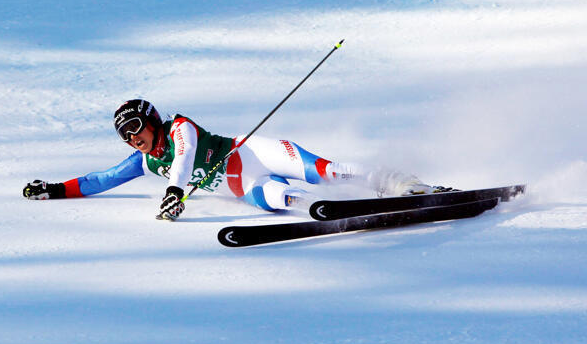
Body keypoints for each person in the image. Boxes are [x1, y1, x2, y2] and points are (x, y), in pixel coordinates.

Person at [23, 99, 448, 220]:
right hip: (244, 186)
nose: (134, 141)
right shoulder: (145, 161)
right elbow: (103, 179)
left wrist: (174, 191)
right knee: (279, 198)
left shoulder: (179, 128)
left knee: (324, 171)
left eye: (136, 129)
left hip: (251, 151)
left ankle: (401, 183)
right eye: (126, 136)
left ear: (152, 121)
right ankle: (329, 210)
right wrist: (56, 190)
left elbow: (186, 158)